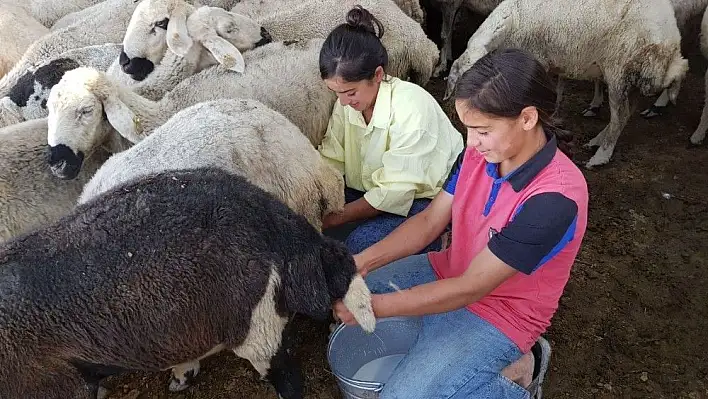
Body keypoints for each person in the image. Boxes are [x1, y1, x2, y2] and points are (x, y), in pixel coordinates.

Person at [333, 47, 590, 399]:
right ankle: (443, 347)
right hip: (448, 270)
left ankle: (520, 373)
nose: (471, 142)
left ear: (528, 118)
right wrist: (359, 264)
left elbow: (471, 288)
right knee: (356, 297)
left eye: (483, 130)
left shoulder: (554, 199)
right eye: (468, 129)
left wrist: (375, 306)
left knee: (398, 393)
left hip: (503, 313)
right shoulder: (477, 153)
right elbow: (429, 221)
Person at [317, 5, 464, 254]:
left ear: (377, 75)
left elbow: (394, 192)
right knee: (312, 238)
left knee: (357, 248)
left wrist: (334, 217)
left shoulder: (411, 106)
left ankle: (443, 239)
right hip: (368, 192)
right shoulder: (348, 105)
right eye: (336, 93)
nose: (342, 102)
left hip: (424, 202)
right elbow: (331, 158)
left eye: (350, 92)